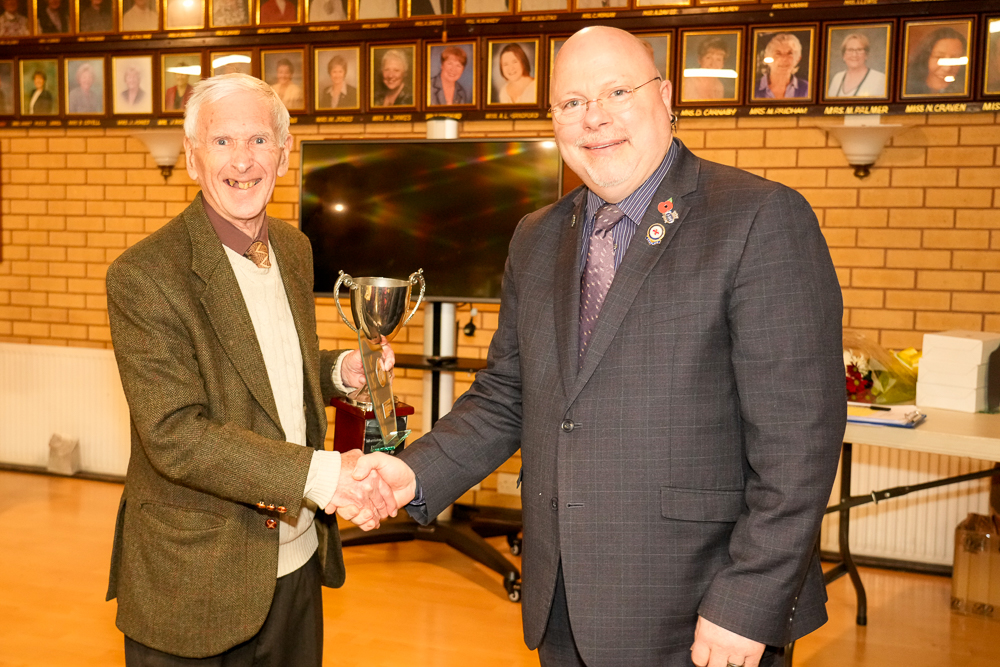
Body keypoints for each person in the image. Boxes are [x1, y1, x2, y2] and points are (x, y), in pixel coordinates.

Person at [354, 25, 845, 667]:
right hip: (563, 602)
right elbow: (509, 395)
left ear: (666, 98)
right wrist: (413, 471)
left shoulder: (758, 218)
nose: (596, 119)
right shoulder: (537, 237)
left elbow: (798, 439)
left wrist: (747, 602)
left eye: (617, 91)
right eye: (572, 102)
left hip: (701, 610)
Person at [105, 73, 397, 665]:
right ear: (191, 158)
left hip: (296, 563)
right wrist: (324, 477)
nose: (244, 160)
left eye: (260, 141)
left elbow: (266, 371)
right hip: (195, 582)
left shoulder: (294, 249)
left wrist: (340, 371)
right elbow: (176, 436)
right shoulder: (144, 276)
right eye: (222, 142)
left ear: (284, 154)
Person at [905, 27, 967, 96]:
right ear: (925, 58)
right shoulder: (905, 87)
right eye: (939, 57)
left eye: (955, 59)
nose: (947, 68)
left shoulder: (965, 89)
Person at [827, 33, 886, 98]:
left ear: (866, 55)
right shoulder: (837, 78)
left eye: (859, 50)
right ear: (844, 55)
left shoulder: (880, 79)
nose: (854, 55)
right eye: (850, 50)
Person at [755, 32, 809, 100]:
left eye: (790, 53)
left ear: (798, 59)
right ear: (767, 57)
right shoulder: (751, 88)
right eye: (778, 53)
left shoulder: (807, 88)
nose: (784, 59)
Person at [682, 37, 730, 101]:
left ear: (723, 63)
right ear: (699, 59)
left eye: (718, 59)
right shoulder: (687, 84)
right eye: (708, 58)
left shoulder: (719, 86)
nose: (713, 64)